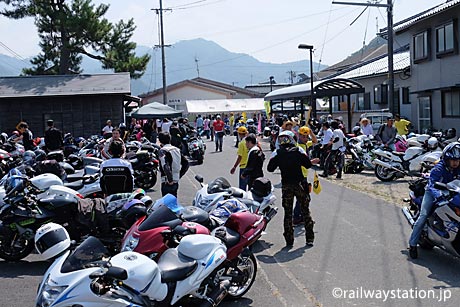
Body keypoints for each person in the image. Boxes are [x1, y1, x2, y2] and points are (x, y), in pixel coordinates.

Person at [267, 131, 320, 247]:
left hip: (286, 186)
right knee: (306, 211)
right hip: (300, 184)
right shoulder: (299, 150)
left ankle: (289, 240)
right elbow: (307, 164)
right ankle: (309, 239)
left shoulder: (278, 152)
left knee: (288, 213)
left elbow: (270, 168)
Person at [408, 142, 460, 259]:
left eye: (458, 160)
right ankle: (412, 244)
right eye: (453, 160)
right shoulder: (438, 169)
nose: (456, 163)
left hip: (450, 192)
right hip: (433, 192)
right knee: (424, 215)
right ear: (447, 159)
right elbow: (431, 185)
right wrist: (439, 196)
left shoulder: (457, 168)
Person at [293, 126, 318, 225]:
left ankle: (299, 216)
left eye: (306, 136)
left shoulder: (305, 144)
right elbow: (301, 162)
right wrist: (312, 161)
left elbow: (315, 141)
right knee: (304, 198)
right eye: (304, 136)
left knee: (304, 197)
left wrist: (311, 132)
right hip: (300, 175)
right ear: (299, 135)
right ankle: (298, 217)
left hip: (303, 175)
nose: (306, 138)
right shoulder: (298, 147)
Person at [158, 131, 182, 197]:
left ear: (160, 140)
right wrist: (179, 175)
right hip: (176, 180)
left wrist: (170, 179)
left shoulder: (163, 151)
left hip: (167, 181)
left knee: (166, 204)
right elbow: (186, 164)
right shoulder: (177, 149)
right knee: (174, 201)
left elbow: (166, 166)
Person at [230, 126, 249, 190]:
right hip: (251, 166)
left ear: (240, 134)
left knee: (242, 188)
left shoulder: (241, 143)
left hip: (243, 167)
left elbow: (240, 157)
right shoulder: (251, 142)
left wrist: (234, 167)